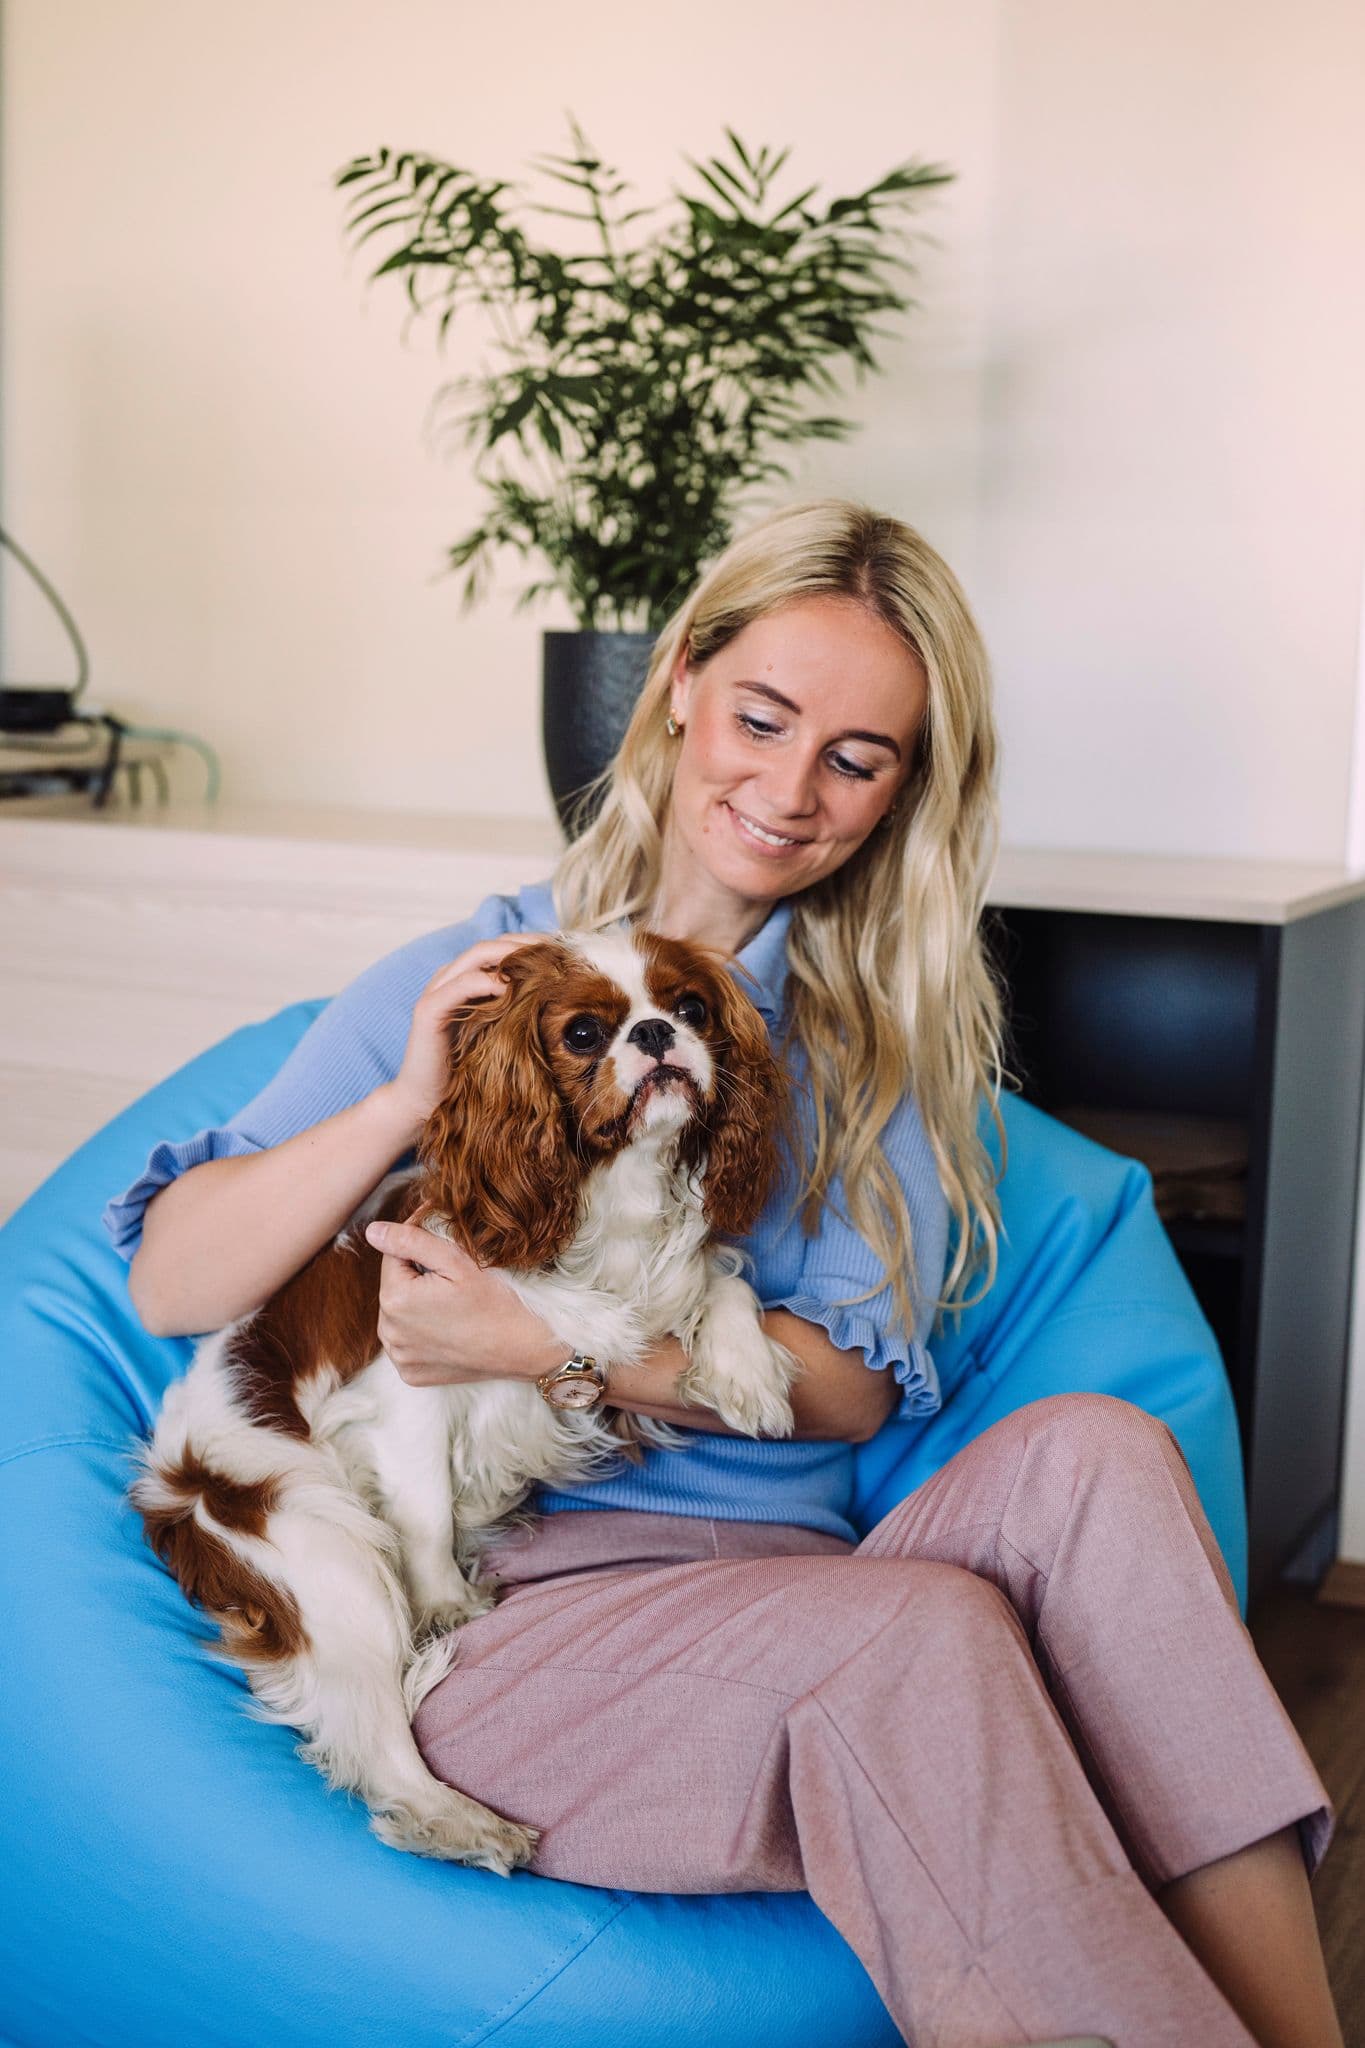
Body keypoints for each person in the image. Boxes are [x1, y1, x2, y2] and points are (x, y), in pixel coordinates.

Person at [109, 502, 1341, 2048]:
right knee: (921, 1638)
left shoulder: (864, 1056)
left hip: (797, 1586)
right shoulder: (477, 979)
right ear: (681, 682)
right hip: (512, 1616)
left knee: (1100, 1453)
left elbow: (835, 1401)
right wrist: (394, 1106)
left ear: (902, 793)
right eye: (762, 718)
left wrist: (544, 1349)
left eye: (856, 756)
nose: (787, 787)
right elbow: (170, 1280)